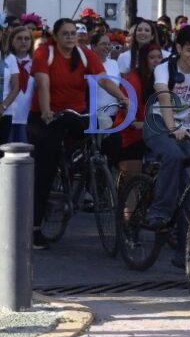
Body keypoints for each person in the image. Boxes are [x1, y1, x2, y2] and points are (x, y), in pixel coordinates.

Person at [28, 19, 130, 249]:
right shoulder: (45, 53)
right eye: (65, 34)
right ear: (55, 36)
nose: (70, 38)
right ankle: (35, 228)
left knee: (111, 135)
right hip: (47, 115)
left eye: (73, 33)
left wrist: (122, 97)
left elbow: (103, 79)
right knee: (47, 163)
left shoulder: (85, 55)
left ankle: (92, 176)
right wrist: (46, 111)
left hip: (75, 112)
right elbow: (43, 83)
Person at [143, 26, 190, 227]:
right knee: (174, 155)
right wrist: (172, 129)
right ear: (179, 48)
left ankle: (183, 234)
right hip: (159, 122)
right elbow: (164, 97)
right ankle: (159, 211)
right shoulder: (164, 68)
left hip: (185, 125)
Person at [118, 43, 163, 180]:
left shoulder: (162, 77)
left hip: (152, 130)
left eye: (159, 57)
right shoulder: (132, 79)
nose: (157, 61)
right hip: (130, 133)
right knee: (132, 180)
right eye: (152, 57)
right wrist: (135, 122)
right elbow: (126, 105)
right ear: (144, 60)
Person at [0, 26, 34, 143]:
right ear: (12, 41)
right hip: (7, 114)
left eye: (27, 39)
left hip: (27, 116)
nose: (23, 42)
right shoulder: (6, 60)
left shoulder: (36, 62)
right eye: (19, 38)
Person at [89, 32, 122, 124]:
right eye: (103, 44)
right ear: (93, 46)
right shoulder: (87, 65)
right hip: (93, 115)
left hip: (113, 114)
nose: (107, 47)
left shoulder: (114, 63)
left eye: (108, 44)